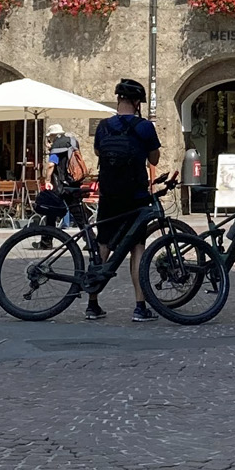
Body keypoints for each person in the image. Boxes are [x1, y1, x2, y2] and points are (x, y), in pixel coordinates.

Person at [92, 79, 162, 321]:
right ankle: (140, 306)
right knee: (137, 247)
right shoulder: (144, 127)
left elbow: (99, 152)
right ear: (137, 103)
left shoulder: (103, 126)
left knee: (103, 243)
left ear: (119, 100)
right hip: (136, 195)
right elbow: (154, 159)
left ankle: (93, 302)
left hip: (109, 193)